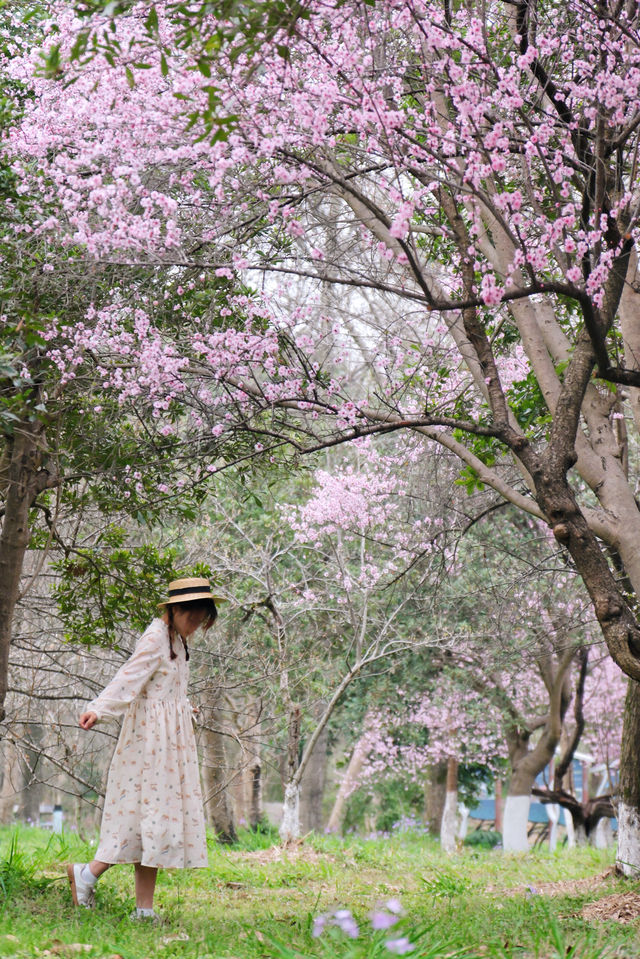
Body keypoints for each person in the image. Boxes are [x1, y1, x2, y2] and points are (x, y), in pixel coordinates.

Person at [67, 577, 221, 919]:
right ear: (175, 609)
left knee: (155, 821)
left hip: (169, 742)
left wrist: (184, 708)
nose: (195, 626)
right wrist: (99, 709)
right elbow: (129, 678)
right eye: (192, 617)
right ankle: (88, 875)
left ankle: (140, 907)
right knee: (145, 817)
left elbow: (166, 688)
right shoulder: (155, 638)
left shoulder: (178, 641)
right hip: (150, 743)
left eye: (201, 620)